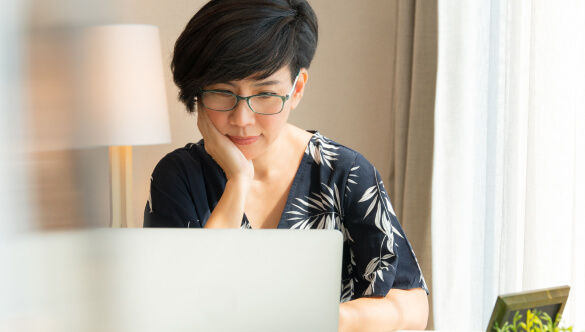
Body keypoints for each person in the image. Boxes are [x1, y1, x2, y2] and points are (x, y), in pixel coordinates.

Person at [144, 0, 429, 330]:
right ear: (198, 94)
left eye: (265, 94)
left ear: (297, 89)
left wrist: (328, 319)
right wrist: (238, 180)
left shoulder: (343, 173)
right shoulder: (177, 178)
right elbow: (181, 311)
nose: (242, 119)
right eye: (223, 92)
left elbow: (412, 304)